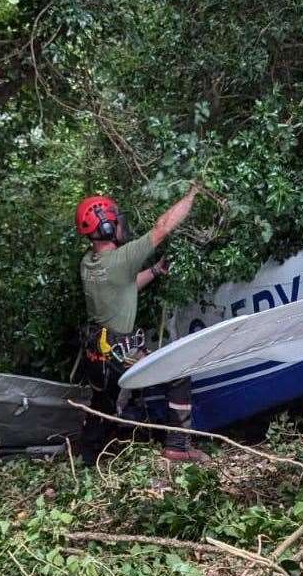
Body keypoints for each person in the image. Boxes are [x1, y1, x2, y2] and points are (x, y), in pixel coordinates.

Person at [76, 185, 207, 465]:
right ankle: (178, 446)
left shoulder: (90, 263)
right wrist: (194, 193)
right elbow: (162, 227)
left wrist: (156, 270)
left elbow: (125, 286)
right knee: (178, 374)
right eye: (116, 221)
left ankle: (88, 457)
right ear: (107, 228)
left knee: (102, 401)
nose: (121, 225)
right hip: (118, 350)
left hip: (96, 353)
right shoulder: (121, 259)